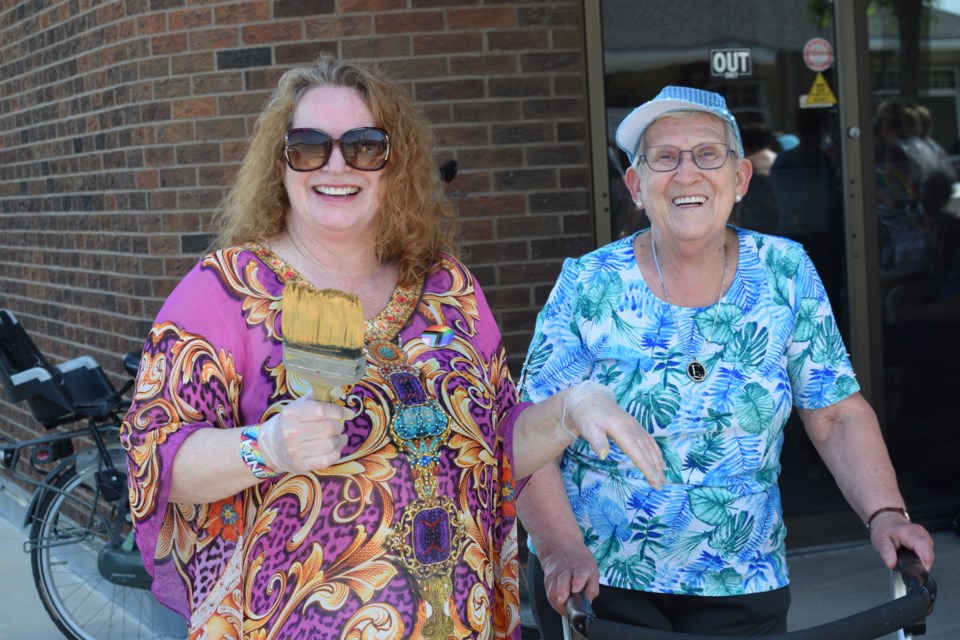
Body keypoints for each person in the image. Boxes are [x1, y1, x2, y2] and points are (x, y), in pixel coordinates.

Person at [119, 55, 665, 640]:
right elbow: (158, 460)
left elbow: (496, 449)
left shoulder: (447, 288)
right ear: (280, 165)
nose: (335, 165)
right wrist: (267, 445)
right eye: (307, 146)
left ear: (393, 164)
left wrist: (569, 410)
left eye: (363, 146)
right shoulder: (225, 291)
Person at [516, 85, 935, 637]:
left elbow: (835, 413)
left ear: (739, 178)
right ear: (636, 186)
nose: (687, 174)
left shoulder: (784, 270)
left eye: (707, 154)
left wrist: (886, 514)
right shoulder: (589, 283)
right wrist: (558, 547)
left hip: (744, 575)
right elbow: (527, 432)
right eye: (664, 157)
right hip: (598, 588)